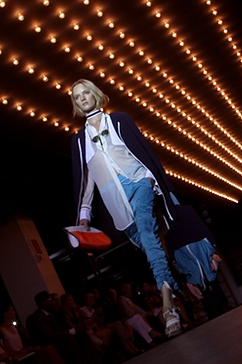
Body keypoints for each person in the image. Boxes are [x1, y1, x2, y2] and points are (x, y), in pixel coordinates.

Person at [70, 79, 181, 337]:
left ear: (95, 94)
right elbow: (87, 180)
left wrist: (150, 178)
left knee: (146, 229)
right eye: (77, 96)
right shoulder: (79, 141)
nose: (82, 98)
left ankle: (168, 305)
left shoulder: (119, 120)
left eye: (86, 92)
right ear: (75, 104)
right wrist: (84, 214)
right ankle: (173, 278)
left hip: (138, 183)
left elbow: (142, 151)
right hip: (115, 200)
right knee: (147, 244)